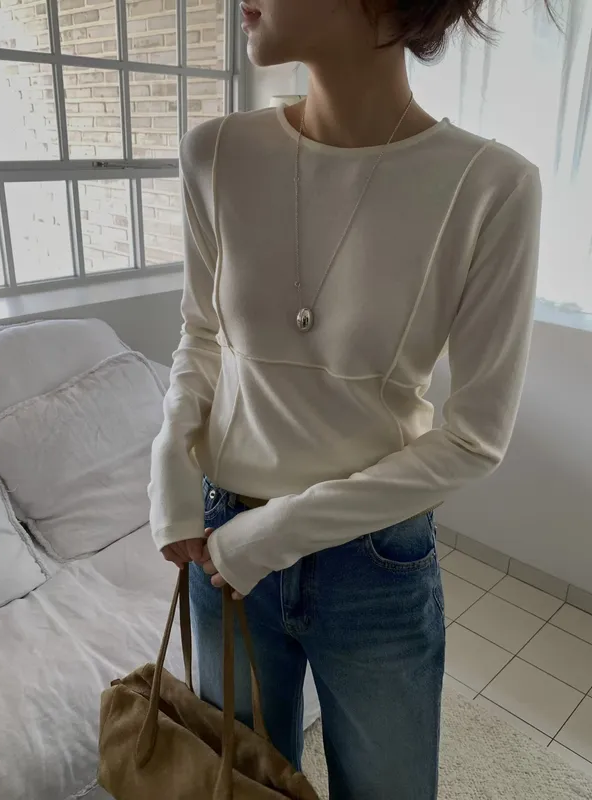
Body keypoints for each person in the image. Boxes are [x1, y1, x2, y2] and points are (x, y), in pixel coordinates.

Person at [149, 0, 547, 796]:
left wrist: (275, 535)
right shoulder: (215, 153)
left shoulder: (491, 186)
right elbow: (202, 334)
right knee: (240, 785)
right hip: (225, 550)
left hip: (374, 566)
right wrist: (171, 458)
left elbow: (475, 437)